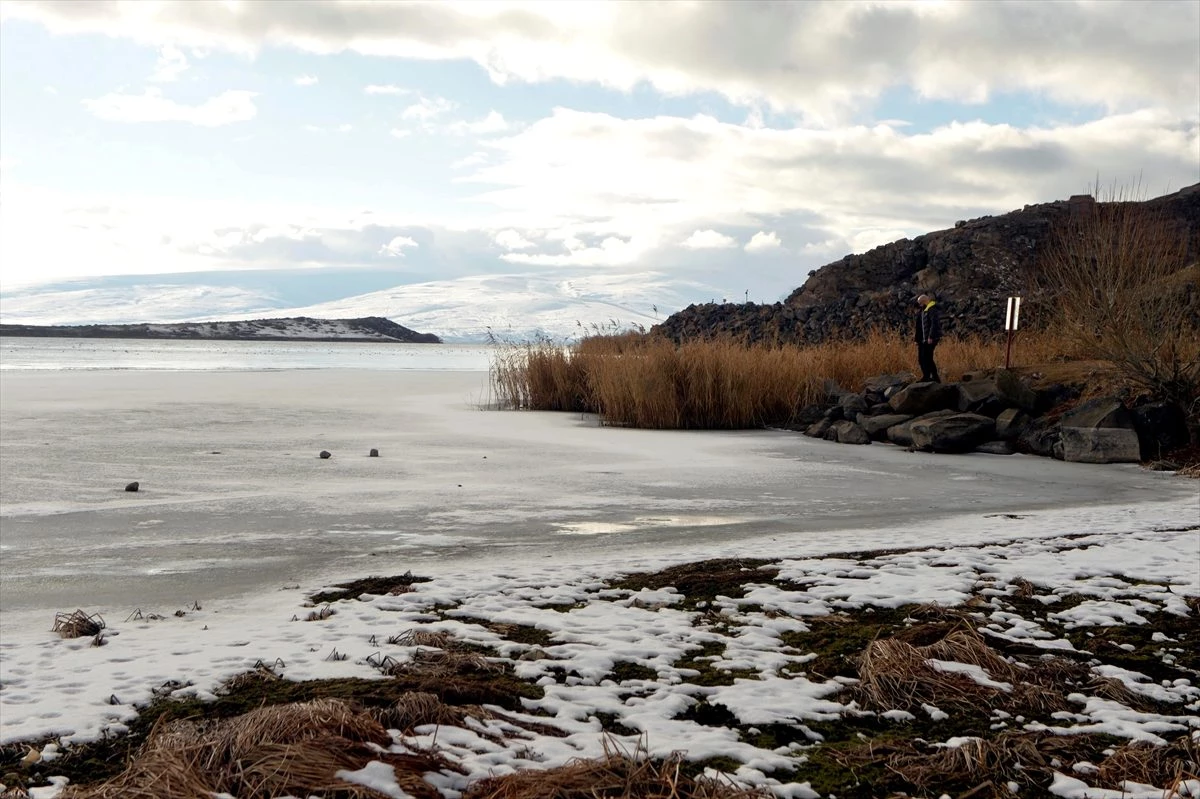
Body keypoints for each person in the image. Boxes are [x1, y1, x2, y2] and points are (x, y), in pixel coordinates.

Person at [914, 293, 941, 383]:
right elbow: (919, 326)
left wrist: (931, 336)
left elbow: (934, 324)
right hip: (923, 340)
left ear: (924, 302)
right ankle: (929, 376)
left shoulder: (932, 310)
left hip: (930, 339)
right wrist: (917, 339)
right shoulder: (923, 311)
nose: (919, 305)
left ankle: (930, 377)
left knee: (927, 358)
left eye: (920, 303)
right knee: (922, 358)